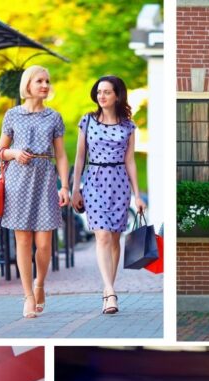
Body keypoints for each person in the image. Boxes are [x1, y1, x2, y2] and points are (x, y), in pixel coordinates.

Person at [0, 66, 70, 319]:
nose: (45, 85)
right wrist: (15, 153)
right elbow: (1, 152)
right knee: (23, 241)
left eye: (47, 81)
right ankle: (28, 296)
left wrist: (65, 186)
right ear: (28, 85)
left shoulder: (54, 117)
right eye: (40, 80)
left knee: (44, 243)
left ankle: (40, 283)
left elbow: (60, 155)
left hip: (45, 180)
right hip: (18, 181)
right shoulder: (12, 115)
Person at [71, 76, 146, 315]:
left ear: (117, 95)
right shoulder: (87, 121)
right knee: (102, 236)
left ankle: (108, 289)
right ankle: (110, 291)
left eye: (107, 92)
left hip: (120, 183)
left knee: (115, 239)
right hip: (93, 180)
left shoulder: (128, 126)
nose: (101, 96)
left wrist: (138, 195)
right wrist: (75, 189)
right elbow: (80, 157)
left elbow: (130, 161)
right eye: (99, 92)